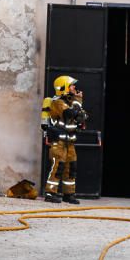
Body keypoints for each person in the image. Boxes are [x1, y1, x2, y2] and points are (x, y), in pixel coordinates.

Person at [41, 75, 85, 204]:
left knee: (71, 168)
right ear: (64, 87)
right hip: (59, 142)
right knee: (58, 167)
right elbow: (70, 114)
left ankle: (69, 194)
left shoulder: (71, 102)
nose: (74, 87)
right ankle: (50, 193)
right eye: (72, 85)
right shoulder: (58, 102)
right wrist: (78, 102)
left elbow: (81, 117)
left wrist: (78, 107)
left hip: (70, 142)